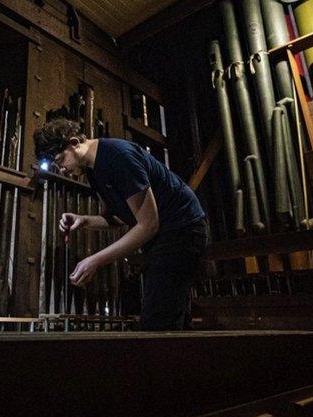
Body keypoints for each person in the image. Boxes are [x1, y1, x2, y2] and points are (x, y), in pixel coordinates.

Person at [34, 118, 209, 330]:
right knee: (168, 316)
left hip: (183, 228)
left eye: (60, 160)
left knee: (158, 323)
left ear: (74, 142)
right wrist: (84, 220)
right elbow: (122, 217)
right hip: (163, 235)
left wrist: (96, 260)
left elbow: (148, 224)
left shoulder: (118, 156)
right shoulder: (92, 170)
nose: (61, 170)